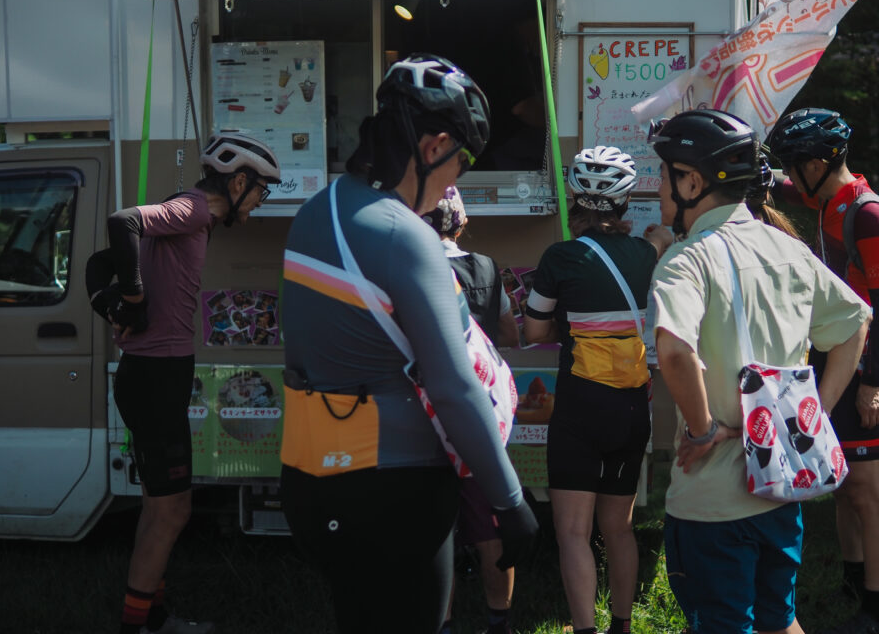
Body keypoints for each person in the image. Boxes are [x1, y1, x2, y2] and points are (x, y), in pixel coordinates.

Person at [278, 53, 538, 634]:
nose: (455, 182)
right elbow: (453, 388)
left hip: (309, 480)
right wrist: (509, 501)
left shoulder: (315, 213)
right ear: (433, 146)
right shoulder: (406, 236)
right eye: (461, 161)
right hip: (393, 490)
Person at [648, 109, 871, 634]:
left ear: (692, 182)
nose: (657, 189)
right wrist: (812, 416)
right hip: (779, 486)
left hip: (711, 502)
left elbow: (674, 351)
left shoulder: (684, 261)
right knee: (780, 619)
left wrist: (701, 430)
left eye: (663, 175)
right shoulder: (788, 248)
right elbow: (855, 324)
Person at [86, 132, 282, 634]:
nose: (261, 201)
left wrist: (109, 300)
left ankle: (150, 618)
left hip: (156, 376)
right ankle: (138, 625)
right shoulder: (194, 209)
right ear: (238, 182)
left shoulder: (192, 215)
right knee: (172, 511)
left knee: (162, 508)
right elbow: (122, 221)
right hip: (155, 378)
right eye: (261, 190)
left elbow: (98, 263)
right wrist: (132, 301)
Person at [765, 107, 879, 634]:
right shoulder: (824, 198)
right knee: (842, 481)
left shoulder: (866, 213)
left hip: (861, 362)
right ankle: (854, 581)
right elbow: (779, 187)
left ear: (818, 165)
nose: (790, 174)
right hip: (831, 355)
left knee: (866, 489)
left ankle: (878, 610)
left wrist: (872, 384)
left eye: (794, 164)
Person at [523, 145, 666, 634]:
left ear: (574, 199)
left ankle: (585, 629)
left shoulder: (560, 257)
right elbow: (658, 251)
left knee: (572, 532)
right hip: (632, 405)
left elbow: (534, 331)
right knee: (619, 528)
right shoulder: (646, 253)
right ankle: (622, 626)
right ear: (624, 202)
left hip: (580, 405)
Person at [422, 186, 520, 634]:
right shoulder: (485, 267)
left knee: (435, 529)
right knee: (490, 526)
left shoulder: (410, 266)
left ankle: (440, 622)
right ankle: (499, 621)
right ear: (461, 225)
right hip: (482, 414)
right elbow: (509, 332)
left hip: (427, 414)